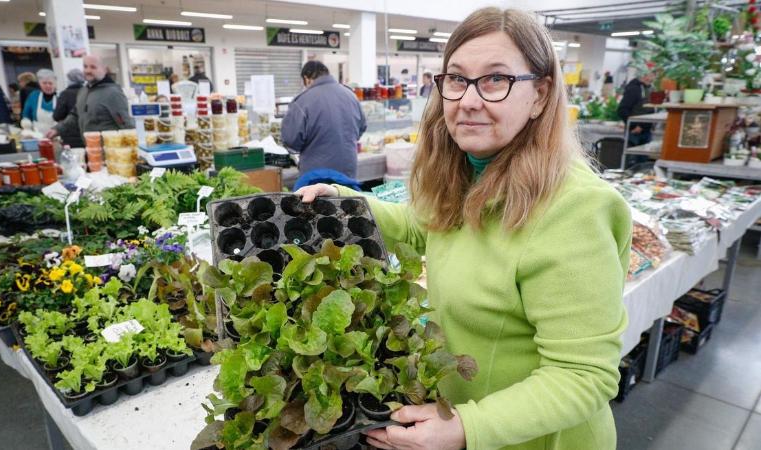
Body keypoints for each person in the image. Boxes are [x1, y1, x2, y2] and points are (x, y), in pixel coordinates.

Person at [298, 7, 630, 450]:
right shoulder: (469, 176)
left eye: (496, 79)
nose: (468, 100)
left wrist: (467, 429)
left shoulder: (575, 210)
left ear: (540, 94)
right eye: (457, 79)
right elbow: (421, 226)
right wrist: (348, 205)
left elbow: (584, 376)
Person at [281, 60, 366, 179]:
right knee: (347, 197)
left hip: (317, 175)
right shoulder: (350, 95)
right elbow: (362, 127)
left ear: (307, 78)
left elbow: (290, 140)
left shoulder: (302, 101)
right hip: (348, 170)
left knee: (320, 198)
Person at [46, 54, 134, 141]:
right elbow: (75, 115)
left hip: (110, 151)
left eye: (93, 67)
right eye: (85, 66)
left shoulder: (113, 93)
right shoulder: (83, 91)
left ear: (104, 70)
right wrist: (57, 129)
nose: (88, 70)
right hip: (91, 149)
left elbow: (126, 123)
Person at [617, 68, 656, 148]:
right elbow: (622, 110)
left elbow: (650, 110)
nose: (650, 78)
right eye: (648, 75)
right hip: (635, 131)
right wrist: (634, 126)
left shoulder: (651, 89)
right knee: (631, 157)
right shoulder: (634, 89)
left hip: (646, 130)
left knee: (643, 158)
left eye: (653, 76)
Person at [53, 68, 85, 147]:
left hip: (70, 135)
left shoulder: (65, 94)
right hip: (86, 133)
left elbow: (57, 116)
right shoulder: (87, 92)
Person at [21, 69, 58, 135]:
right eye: (44, 83)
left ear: (55, 84)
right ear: (39, 84)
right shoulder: (34, 96)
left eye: (50, 83)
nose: (48, 86)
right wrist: (27, 126)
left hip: (56, 135)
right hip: (37, 134)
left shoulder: (60, 97)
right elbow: (26, 115)